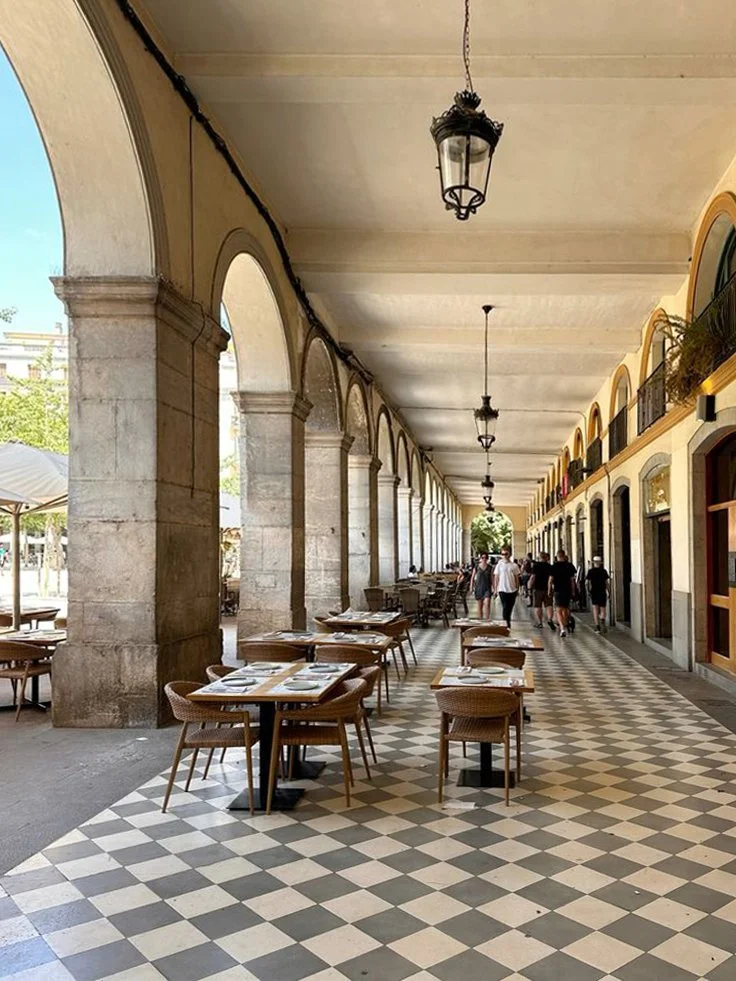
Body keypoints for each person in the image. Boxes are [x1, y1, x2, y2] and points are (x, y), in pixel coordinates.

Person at [549, 549, 577, 638]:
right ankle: (565, 624)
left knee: (558, 610)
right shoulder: (569, 566)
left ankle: (562, 628)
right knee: (565, 609)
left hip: (558, 591)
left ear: (557, 556)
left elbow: (550, 580)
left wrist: (549, 590)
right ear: (564, 556)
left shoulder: (554, 566)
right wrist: (573, 591)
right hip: (567, 590)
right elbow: (572, 581)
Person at [493, 545, 520, 629]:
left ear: (510, 554)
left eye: (506, 554)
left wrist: (517, 589)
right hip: (502, 589)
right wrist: (495, 589)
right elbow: (496, 577)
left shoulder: (514, 566)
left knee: (509, 608)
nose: (504, 556)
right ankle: (506, 625)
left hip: (512, 590)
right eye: (502, 554)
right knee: (505, 607)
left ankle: (507, 622)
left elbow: (516, 578)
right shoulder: (499, 565)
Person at [529, 551, 555, 630]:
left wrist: (529, 586)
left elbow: (533, 577)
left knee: (538, 606)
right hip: (548, 588)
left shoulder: (536, 566)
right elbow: (552, 578)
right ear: (546, 558)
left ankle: (540, 623)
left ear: (539, 557)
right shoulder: (550, 566)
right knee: (549, 605)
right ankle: (550, 619)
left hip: (538, 588)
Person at [586, 556, 610, 632]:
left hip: (594, 591)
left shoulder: (590, 571)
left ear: (593, 563)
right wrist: (608, 591)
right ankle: (602, 620)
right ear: (600, 563)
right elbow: (607, 583)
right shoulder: (604, 571)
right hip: (602, 591)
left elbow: (587, 582)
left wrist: (588, 591)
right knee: (603, 608)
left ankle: (597, 626)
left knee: (595, 609)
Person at [470, 552, 492, 619]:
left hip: (487, 588)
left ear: (487, 559)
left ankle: (487, 619)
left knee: (487, 604)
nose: (484, 559)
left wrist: (494, 588)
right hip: (478, 588)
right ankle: (481, 620)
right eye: (482, 557)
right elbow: (472, 577)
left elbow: (492, 578)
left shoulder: (490, 567)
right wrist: (471, 587)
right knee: (480, 606)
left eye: (485, 558)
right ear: (480, 558)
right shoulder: (477, 567)